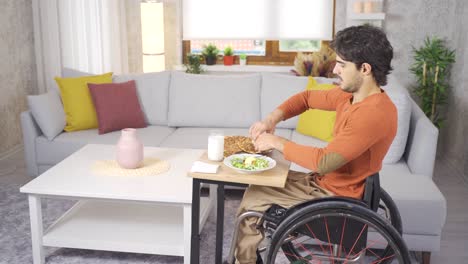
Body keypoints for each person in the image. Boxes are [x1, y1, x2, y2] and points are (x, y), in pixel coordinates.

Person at [234, 24, 397, 264]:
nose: (335, 69)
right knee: (263, 178)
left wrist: (277, 141)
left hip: (334, 196)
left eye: (342, 64)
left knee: (253, 198)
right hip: (329, 184)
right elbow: (306, 98)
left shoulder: (371, 114)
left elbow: (324, 162)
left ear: (365, 69)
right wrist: (271, 120)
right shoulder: (352, 96)